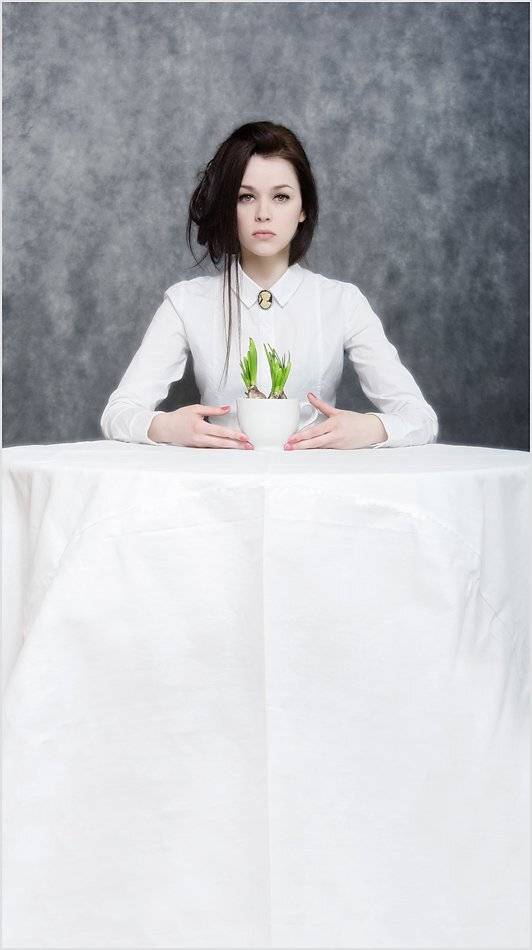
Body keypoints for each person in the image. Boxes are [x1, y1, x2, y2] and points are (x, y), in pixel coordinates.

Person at [100, 121, 438, 451]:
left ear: (303, 208)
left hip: (317, 482)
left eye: (281, 197)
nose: (263, 213)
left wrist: (371, 427)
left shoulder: (342, 302)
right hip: (220, 481)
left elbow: (420, 418)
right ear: (228, 207)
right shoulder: (186, 302)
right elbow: (119, 412)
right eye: (246, 197)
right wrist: (165, 427)